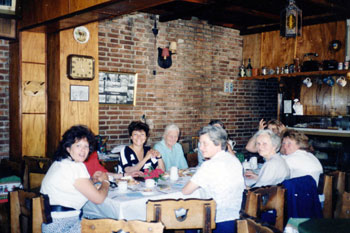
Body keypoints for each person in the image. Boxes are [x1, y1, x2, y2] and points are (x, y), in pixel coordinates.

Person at [40, 125, 109, 233]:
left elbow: (73, 185)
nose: (83, 150)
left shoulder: (60, 163)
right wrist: (106, 181)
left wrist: (91, 181)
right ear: (68, 148)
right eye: (78, 145)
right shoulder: (75, 166)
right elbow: (99, 199)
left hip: (50, 224)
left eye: (86, 146)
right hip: (64, 225)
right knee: (113, 226)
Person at [182, 125, 245, 233]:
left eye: (205, 143)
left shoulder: (209, 165)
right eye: (200, 143)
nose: (201, 148)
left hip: (215, 221)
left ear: (218, 144)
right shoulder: (234, 160)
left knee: (186, 216)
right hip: (235, 217)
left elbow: (186, 191)